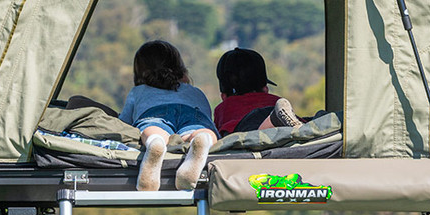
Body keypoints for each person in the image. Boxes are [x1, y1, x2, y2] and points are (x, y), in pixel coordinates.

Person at [119, 40, 218, 191]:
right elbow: (206, 115)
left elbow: (124, 124)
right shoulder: (195, 91)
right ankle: (201, 139)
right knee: (199, 130)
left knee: (153, 129)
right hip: (192, 113)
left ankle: (155, 143)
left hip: (155, 112)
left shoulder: (138, 91)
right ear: (180, 69)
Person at [213, 47, 301, 137]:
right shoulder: (277, 101)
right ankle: (273, 120)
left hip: (243, 128)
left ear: (223, 96)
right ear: (265, 89)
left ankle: (273, 121)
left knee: (247, 136)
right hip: (270, 112)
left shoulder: (223, 108)